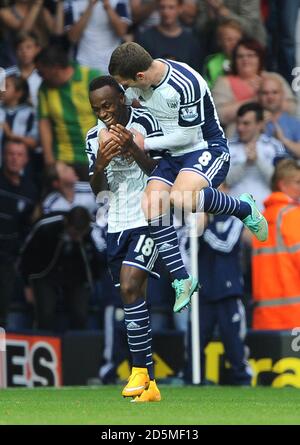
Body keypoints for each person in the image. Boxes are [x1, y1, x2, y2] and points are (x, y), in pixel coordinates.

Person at [107, 41, 268, 315]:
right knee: (152, 204)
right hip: (172, 155)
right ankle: (183, 279)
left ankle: (244, 208)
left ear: (140, 77)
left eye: (125, 83)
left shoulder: (184, 83)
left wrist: (142, 142)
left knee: (183, 198)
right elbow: (128, 104)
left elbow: (187, 135)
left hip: (205, 147)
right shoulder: (140, 79)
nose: (124, 88)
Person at [86, 75, 164, 402]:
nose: (103, 113)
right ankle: (151, 385)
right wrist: (101, 163)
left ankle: (137, 372)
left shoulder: (147, 121)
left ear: (121, 97)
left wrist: (132, 146)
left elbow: (163, 171)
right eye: (96, 109)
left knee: (131, 285)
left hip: (149, 216)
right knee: (133, 300)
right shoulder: (93, 137)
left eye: (107, 105)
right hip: (117, 224)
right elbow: (99, 190)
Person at [193, 184, 252, 386]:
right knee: (196, 339)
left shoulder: (235, 216)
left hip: (229, 291)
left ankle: (242, 378)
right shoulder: (195, 219)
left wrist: (205, 228)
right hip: (203, 291)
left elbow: (226, 245)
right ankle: (193, 377)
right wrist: (196, 227)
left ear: (226, 189)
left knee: (233, 340)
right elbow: (185, 249)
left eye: (219, 188)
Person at [19, 206, 104, 331]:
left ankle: (78, 345)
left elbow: (96, 261)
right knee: (46, 312)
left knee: (80, 313)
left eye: (81, 234)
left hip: (75, 275)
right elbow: (26, 255)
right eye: (74, 233)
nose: (77, 237)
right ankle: (44, 343)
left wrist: (92, 281)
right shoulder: (46, 225)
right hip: (45, 273)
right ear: (66, 223)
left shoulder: (90, 231)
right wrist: (27, 285)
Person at [36, 45, 101, 180]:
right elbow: (44, 122)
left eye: (41, 73)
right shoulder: (44, 88)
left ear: (55, 68)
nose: (40, 77)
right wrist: (49, 159)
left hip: (96, 156)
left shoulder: (91, 77)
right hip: (64, 161)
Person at [212, 38, 296, 138]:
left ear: (260, 58)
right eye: (240, 56)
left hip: (279, 135)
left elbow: (294, 108)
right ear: (234, 60)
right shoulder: (223, 82)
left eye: (250, 55)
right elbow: (219, 115)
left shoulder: (274, 78)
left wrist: (268, 95)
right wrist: (256, 98)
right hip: (237, 139)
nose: (245, 59)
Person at [252, 159, 300, 330]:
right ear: (282, 185)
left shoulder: (261, 220)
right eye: (297, 182)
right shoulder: (293, 216)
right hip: (294, 316)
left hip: (264, 317)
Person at [0, 140, 38, 328]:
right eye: (10, 154)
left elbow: (27, 230)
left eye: (19, 155)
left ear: (26, 160)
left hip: (9, 260)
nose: (14, 159)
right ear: (3, 156)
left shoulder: (30, 191)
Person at [226, 102, 286, 211]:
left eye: (246, 123)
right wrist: (245, 164)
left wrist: (258, 161)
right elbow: (225, 182)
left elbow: (280, 182)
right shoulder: (227, 147)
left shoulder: (275, 146)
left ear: (260, 124)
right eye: (238, 123)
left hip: (266, 211)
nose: (240, 128)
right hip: (234, 214)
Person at [64, 0, 131, 73]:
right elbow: (73, 37)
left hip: (112, 65)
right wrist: (90, 6)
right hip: (83, 64)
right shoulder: (73, 3)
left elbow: (121, 32)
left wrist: (107, 6)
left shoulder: (119, 1)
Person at [136, 0, 202, 72]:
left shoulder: (191, 42)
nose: (166, 12)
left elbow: (196, 73)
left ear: (180, 9)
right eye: (162, 7)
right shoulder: (146, 37)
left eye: (171, 7)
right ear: (157, 8)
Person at [258, 75, 300, 160]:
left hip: (288, 170)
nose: (270, 97)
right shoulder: (248, 121)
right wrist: (257, 129)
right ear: (259, 96)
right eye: (265, 93)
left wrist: (283, 140)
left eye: (275, 92)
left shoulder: (294, 123)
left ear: (283, 95)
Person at [203, 18, 243, 88]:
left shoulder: (249, 59)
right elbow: (208, 88)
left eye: (237, 39)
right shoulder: (212, 62)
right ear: (220, 42)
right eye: (229, 39)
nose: (234, 43)